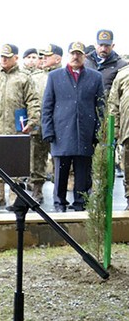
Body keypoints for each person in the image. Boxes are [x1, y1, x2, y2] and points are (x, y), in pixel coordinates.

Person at [0, 44, 41, 208]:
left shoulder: (24, 78)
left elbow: (33, 101)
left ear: (16, 58)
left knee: (15, 164)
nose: (3, 60)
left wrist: (32, 122)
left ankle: (15, 195)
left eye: (7, 57)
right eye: (2, 57)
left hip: (16, 129)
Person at [41, 42, 104, 211]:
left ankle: (80, 203)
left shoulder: (95, 77)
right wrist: (48, 131)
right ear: (68, 55)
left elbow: (100, 107)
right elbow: (47, 106)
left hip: (85, 133)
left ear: (84, 56)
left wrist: (99, 131)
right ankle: (59, 203)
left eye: (79, 54)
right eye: (73, 53)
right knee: (61, 172)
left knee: (83, 173)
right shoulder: (55, 77)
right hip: (61, 132)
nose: (76, 57)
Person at [26, 43, 64, 203]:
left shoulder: (65, 75)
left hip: (59, 126)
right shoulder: (35, 77)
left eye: (47, 56)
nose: (43, 59)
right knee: (37, 159)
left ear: (57, 58)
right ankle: (37, 189)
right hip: (39, 125)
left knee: (59, 160)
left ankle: (59, 191)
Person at [107, 64, 129, 210]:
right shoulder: (123, 75)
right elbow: (113, 105)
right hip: (128, 133)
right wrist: (114, 132)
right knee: (128, 168)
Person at [84, 29, 128, 96]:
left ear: (112, 46)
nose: (103, 49)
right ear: (95, 45)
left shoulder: (121, 65)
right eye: (101, 45)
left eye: (107, 46)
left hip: (108, 104)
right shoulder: (85, 62)